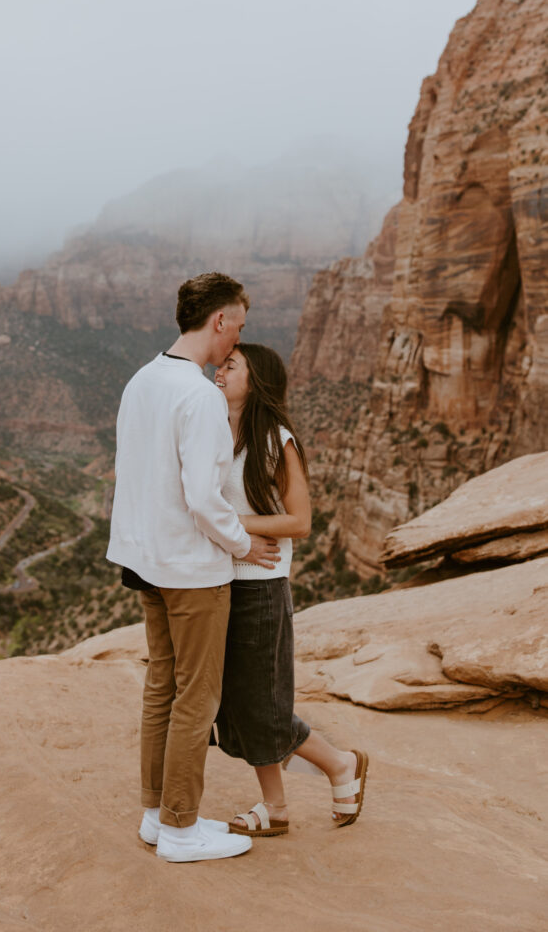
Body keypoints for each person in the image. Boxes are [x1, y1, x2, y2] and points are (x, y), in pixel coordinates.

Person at [107, 273, 281, 863]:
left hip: (145, 561)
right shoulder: (200, 394)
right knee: (196, 698)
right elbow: (205, 499)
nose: (237, 339)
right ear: (219, 322)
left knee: (161, 687)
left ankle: (157, 815)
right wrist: (241, 545)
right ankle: (182, 830)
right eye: (239, 325)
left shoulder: (141, 380)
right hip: (190, 571)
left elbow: (132, 472)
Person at [213, 343, 369, 836]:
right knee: (235, 707)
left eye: (231, 365)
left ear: (255, 380)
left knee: (263, 706)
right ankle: (275, 808)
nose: (219, 369)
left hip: (260, 589)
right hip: (219, 585)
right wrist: (235, 538)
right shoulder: (218, 433)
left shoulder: (277, 440)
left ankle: (341, 764)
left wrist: (235, 524)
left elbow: (300, 520)